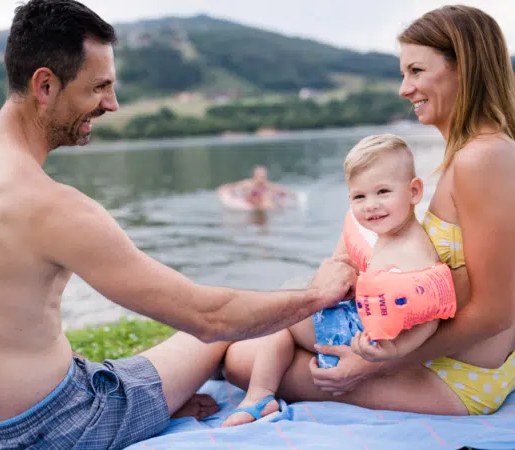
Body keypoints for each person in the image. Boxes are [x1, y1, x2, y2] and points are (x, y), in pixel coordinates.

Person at [0, 0, 358, 448]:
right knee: (207, 343)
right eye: (98, 87)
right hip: (52, 429)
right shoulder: (49, 205)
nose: (112, 103)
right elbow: (209, 317)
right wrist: (317, 296)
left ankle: (160, 401)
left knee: (122, 367)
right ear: (45, 85)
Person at [224, 4, 515, 417]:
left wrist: (366, 367)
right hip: (445, 353)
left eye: (416, 71)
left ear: (462, 68)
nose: (404, 89)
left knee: (240, 359)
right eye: (403, 74)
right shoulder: (480, 153)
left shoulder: (483, 159)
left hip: (456, 375)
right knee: (254, 336)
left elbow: (496, 313)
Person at [222, 134, 445, 426]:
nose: (370, 205)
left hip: (366, 342)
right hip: (359, 326)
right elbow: (334, 272)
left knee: (286, 314)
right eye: (359, 196)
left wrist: (394, 351)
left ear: (414, 191)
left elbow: (431, 316)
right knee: (290, 301)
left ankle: (259, 397)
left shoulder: (415, 252)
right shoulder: (380, 233)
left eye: (383, 192)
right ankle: (256, 389)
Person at [217, 165, 295, 210]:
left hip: (264, 204)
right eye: (260, 176)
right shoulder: (248, 183)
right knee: (261, 197)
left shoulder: (267, 185)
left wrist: (291, 195)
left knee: (268, 197)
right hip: (251, 202)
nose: (262, 178)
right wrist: (223, 188)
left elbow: (281, 190)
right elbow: (234, 186)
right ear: (255, 175)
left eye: (264, 176)